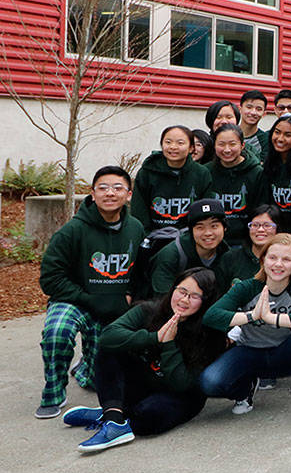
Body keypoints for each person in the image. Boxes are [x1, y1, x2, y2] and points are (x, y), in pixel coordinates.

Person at [64, 268, 224, 451]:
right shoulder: (149, 310)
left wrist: (169, 344)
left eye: (195, 296)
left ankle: (114, 414)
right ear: (173, 289)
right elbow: (108, 336)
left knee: (149, 417)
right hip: (147, 382)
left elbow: (181, 384)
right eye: (182, 291)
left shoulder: (210, 333)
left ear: (205, 302)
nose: (184, 300)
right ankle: (114, 418)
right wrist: (154, 337)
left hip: (179, 395)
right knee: (111, 347)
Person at [35, 166, 146, 419]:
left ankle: (85, 367)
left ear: (128, 195)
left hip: (113, 307)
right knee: (57, 332)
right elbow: (50, 279)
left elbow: (141, 271)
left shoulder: (136, 228)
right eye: (103, 188)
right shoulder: (72, 231)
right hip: (76, 300)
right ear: (93, 194)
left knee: (99, 380)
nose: (110, 193)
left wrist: (129, 295)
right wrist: (88, 299)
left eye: (118, 188)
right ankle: (53, 393)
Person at [200, 234, 291, 423]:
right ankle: (246, 388)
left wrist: (271, 318)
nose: (278, 264)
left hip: (285, 353)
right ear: (263, 260)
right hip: (250, 352)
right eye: (273, 257)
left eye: (286, 259)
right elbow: (212, 316)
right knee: (209, 383)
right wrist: (252, 316)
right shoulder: (247, 287)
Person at [130, 125, 215, 233]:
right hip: (154, 237)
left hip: (190, 237)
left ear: (191, 148)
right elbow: (139, 210)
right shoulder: (147, 172)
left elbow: (205, 209)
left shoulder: (201, 173)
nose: (173, 147)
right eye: (168, 142)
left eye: (180, 143)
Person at [148, 198, 231, 296]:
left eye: (214, 226)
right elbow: (161, 299)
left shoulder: (228, 255)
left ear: (224, 228)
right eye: (200, 227)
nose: (208, 233)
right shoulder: (171, 255)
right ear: (191, 231)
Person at [206, 123, 263, 245]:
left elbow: (260, 210)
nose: (227, 150)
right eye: (221, 144)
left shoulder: (257, 173)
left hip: (244, 241)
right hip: (212, 240)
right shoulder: (206, 172)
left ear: (242, 145)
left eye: (232, 144)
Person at [214, 204, 279, 286]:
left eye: (267, 225)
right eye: (255, 225)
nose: (260, 230)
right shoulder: (230, 258)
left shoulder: (284, 260)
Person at [236, 90, 270, 162]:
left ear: (264, 114)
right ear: (240, 109)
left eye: (259, 109)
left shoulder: (265, 140)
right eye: (249, 107)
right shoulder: (228, 133)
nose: (253, 112)